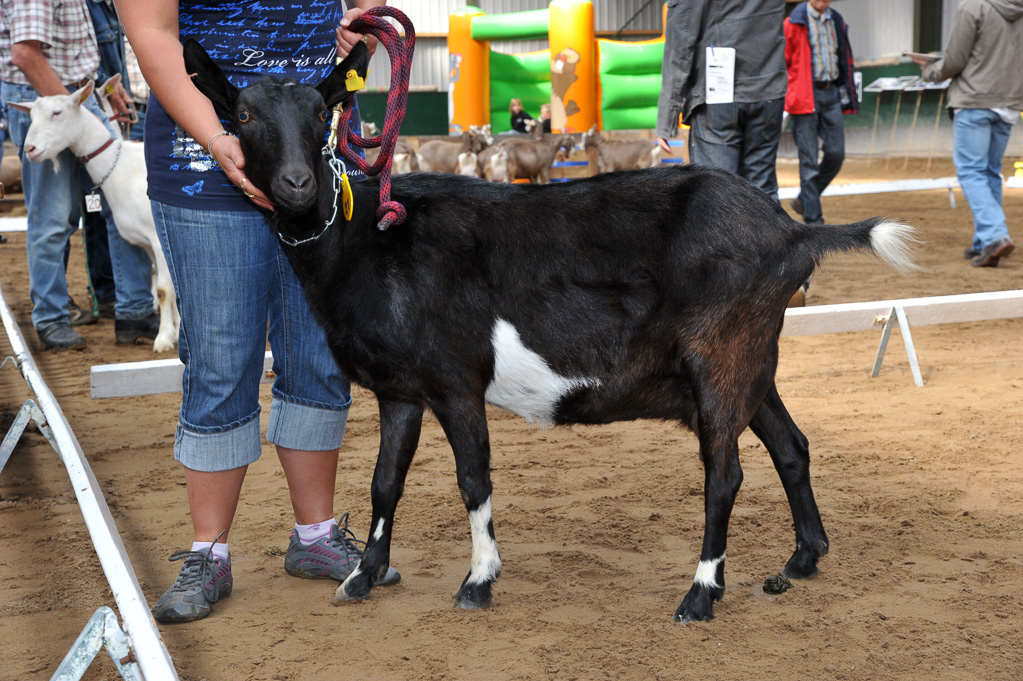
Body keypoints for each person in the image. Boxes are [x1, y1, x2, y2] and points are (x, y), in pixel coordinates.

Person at [116, 0, 399, 623]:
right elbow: (152, 32)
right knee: (221, 357)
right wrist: (217, 137)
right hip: (206, 167)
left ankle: (316, 537)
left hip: (313, 162)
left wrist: (356, 31)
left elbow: (348, 12)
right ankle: (208, 553)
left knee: (320, 352)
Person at [0, 0, 158, 351]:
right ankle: (51, 318)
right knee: (54, 217)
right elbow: (26, 54)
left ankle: (134, 310)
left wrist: (104, 91)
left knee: (120, 205)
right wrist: (70, 105)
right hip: (47, 102)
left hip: (73, 100)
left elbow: (78, 51)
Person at [916, 0, 1022, 267]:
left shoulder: (972, 6)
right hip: (1009, 103)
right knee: (989, 171)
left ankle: (995, 235)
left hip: (974, 100)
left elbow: (954, 60)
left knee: (971, 171)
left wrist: (929, 71)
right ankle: (983, 241)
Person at [655, 0, 788, 201]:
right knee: (764, 198)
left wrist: (667, 118)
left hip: (718, 98)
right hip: (768, 89)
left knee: (717, 200)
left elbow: (680, 40)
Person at [784, 0, 858, 224]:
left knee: (836, 154)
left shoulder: (836, 20)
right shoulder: (793, 23)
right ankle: (814, 221)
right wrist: (792, 91)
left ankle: (804, 200)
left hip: (831, 93)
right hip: (805, 95)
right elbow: (783, 62)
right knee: (809, 161)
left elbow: (844, 58)